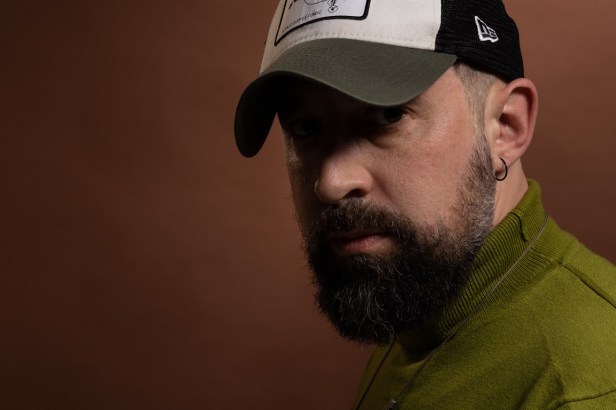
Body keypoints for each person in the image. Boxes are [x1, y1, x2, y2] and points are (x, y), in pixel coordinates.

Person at [234, 0, 616, 408]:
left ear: (506, 127)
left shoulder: (581, 388)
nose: (331, 183)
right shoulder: (423, 293)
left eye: (388, 116)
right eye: (307, 127)